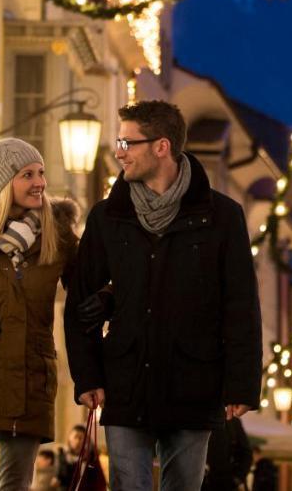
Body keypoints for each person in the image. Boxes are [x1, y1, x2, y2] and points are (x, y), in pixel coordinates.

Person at [64, 100, 262, 491]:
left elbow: (240, 305)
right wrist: (86, 375)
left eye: (127, 143)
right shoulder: (108, 217)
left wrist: (241, 384)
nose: (118, 152)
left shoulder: (221, 216)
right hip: (125, 380)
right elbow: (78, 301)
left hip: (194, 381)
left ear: (162, 146)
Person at [0, 137, 105, 491]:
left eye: (41, 173)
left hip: (30, 379)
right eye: (27, 174)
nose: (39, 182)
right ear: (4, 183)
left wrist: (108, 297)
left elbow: (85, 293)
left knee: (15, 485)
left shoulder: (58, 236)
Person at [201, 415, 251, 491]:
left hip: (225, 481)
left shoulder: (231, 422)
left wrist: (237, 478)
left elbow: (246, 452)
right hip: (202, 481)